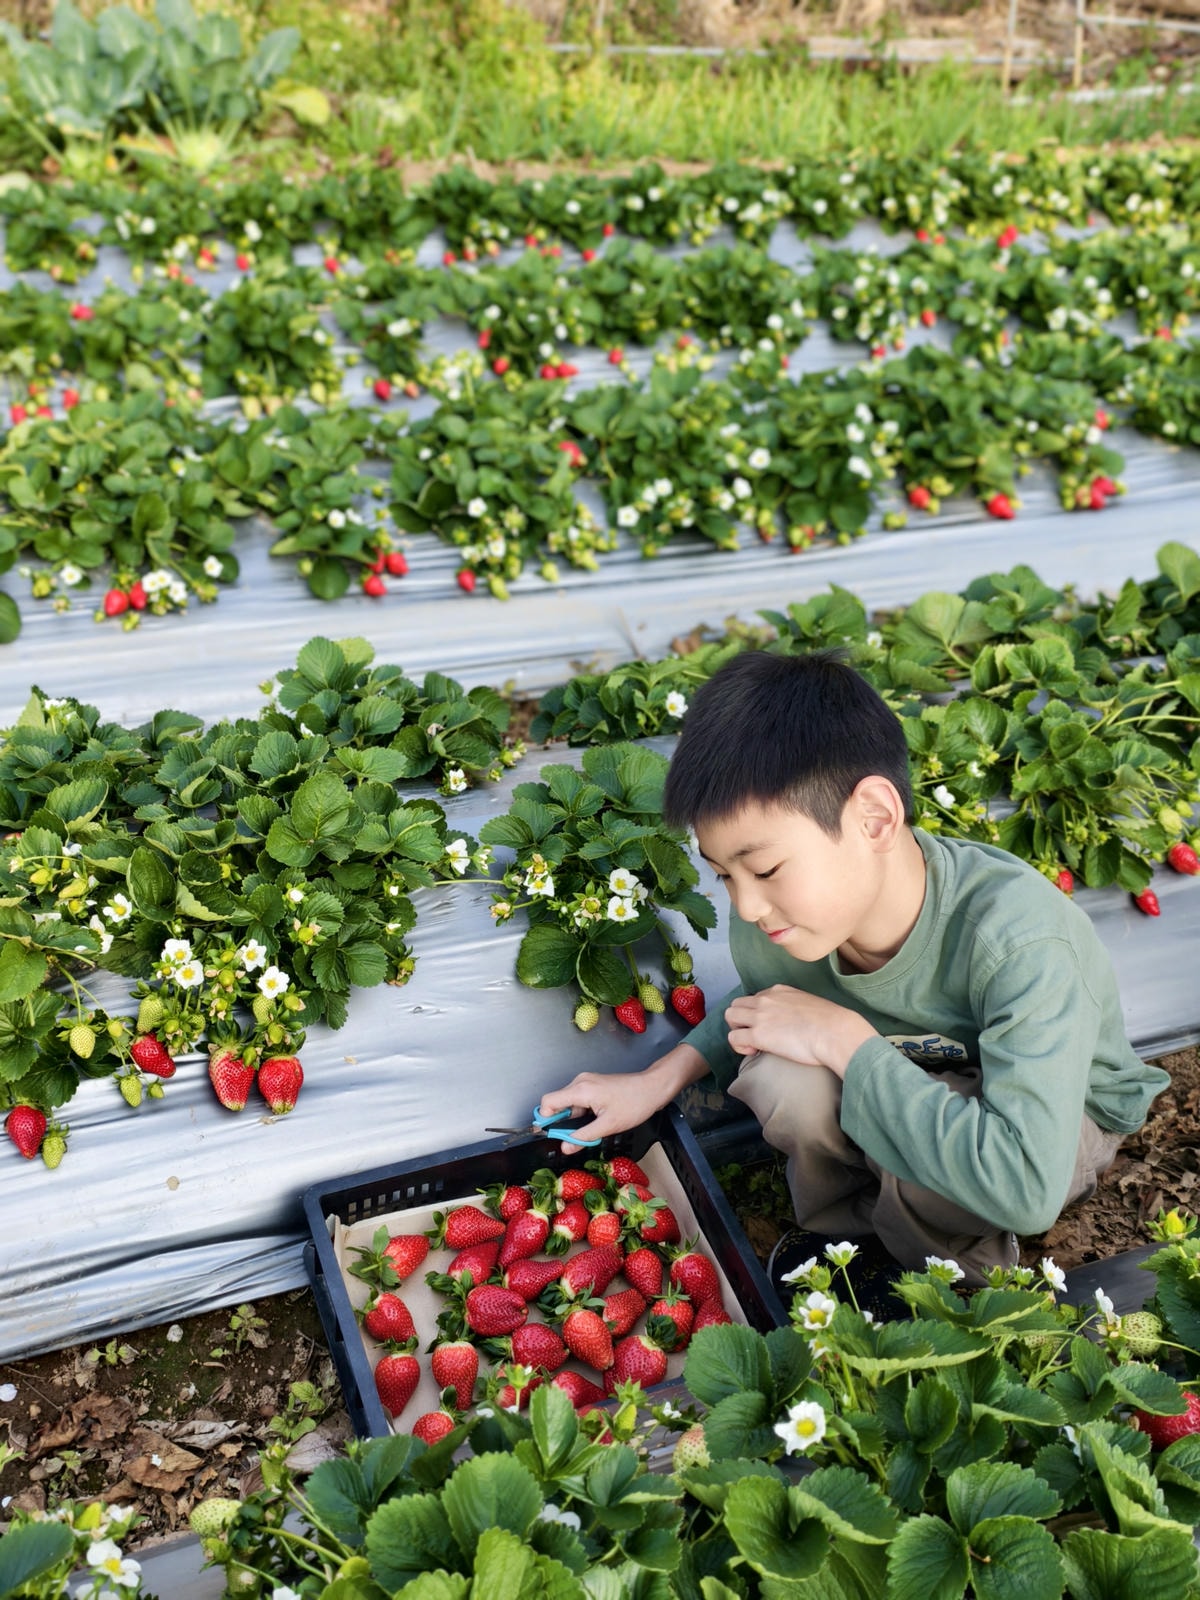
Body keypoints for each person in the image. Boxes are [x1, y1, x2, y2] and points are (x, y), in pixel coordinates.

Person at [537, 648, 1169, 1293]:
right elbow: (767, 1006)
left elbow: (1025, 1187)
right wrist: (655, 1081)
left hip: (1050, 1116)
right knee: (781, 1074)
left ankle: (948, 1272)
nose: (747, 905)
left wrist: (845, 1042)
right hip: (906, 1073)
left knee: (933, 1166)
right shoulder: (780, 920)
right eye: (724, 875)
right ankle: (849, 1238)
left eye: (766, 869)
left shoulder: (1019, 940)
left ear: (875, 819)